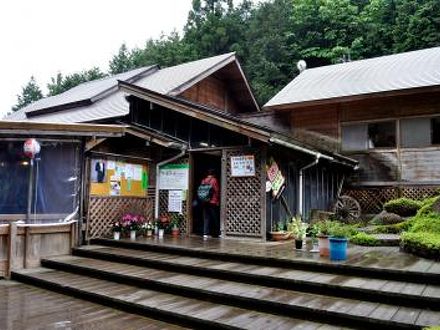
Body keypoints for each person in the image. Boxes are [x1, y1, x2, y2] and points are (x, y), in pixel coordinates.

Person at [199, 169, 220, 239]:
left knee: (206, 217)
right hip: (212, 201)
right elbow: (216, 191)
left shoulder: (203, 180)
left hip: (204, 201)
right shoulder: (214, 180)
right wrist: (217, 201)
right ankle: (217, 233)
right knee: (215, 217)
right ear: (213, 174)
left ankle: (205, 233)